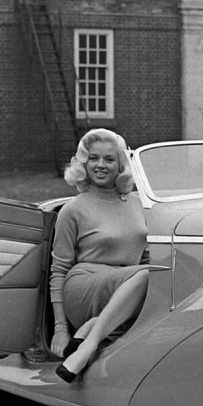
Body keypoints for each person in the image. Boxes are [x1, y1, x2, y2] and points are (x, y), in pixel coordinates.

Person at [50, 128, 150, 383]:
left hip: (128, 286)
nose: (100, 165)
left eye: (109, 159)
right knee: (147, 275)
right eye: (93, 158)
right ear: (84, 163)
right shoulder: (72, 209)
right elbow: (58, 271)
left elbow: (147, 256)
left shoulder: (138, 203)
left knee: (155, 277)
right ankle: (88, 345)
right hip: (85, 285)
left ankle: (93, 328)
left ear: (121, 165)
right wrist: (60, 328)